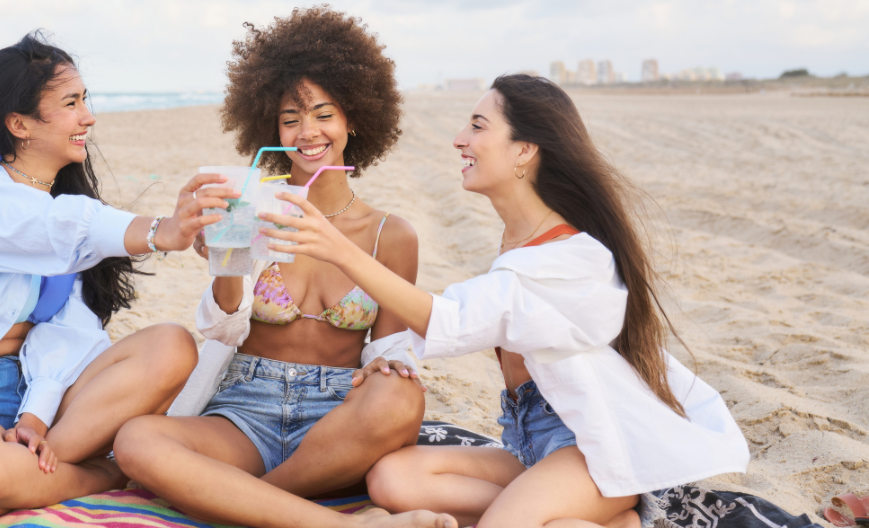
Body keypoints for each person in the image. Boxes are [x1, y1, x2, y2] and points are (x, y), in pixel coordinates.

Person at [259, 75, 750, 527]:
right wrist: (388, 361)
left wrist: (338, 249)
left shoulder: (573, 256)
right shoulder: (518, 243)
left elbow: (456, 318)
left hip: (591, 451)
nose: (459, 140)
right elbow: (455, 322)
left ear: (524, 150)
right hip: (528, 445)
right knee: (392, 480)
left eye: (477, 126)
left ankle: (603, 510)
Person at [113, 7, 456, 528]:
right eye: (290, 119)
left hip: (338, 417)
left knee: (401, 395)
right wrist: (226, 256)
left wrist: (386, 374)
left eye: (323, 114)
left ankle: (253, 500)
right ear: (269, 129)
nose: (307, 132)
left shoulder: (393, 234)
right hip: (246, 406)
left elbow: (388, 349)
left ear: (353, 119)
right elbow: (226, 324)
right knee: (138, 441)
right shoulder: (252, 205)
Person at [0, 32, 239, 519]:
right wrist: (164, 230)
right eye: (71, 103)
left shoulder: (54, 206)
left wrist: (36, 413)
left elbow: (68, 328)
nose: (87, 117)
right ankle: (105, 474)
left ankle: (26, 473)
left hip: (44, 393)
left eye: (84, 100)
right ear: (20, 124)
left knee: (172, 346)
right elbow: (64, 229)